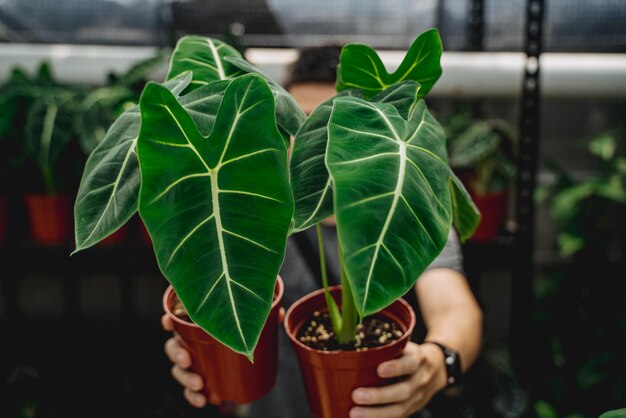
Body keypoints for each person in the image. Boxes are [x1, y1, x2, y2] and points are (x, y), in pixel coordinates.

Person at [161, 46, 484, 418]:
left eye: (339, 121)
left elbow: (455, 308)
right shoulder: (250, 206)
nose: (323, 140)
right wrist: (195, 344)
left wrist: (436, 362)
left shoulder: (403, 198)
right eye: (305, 123)